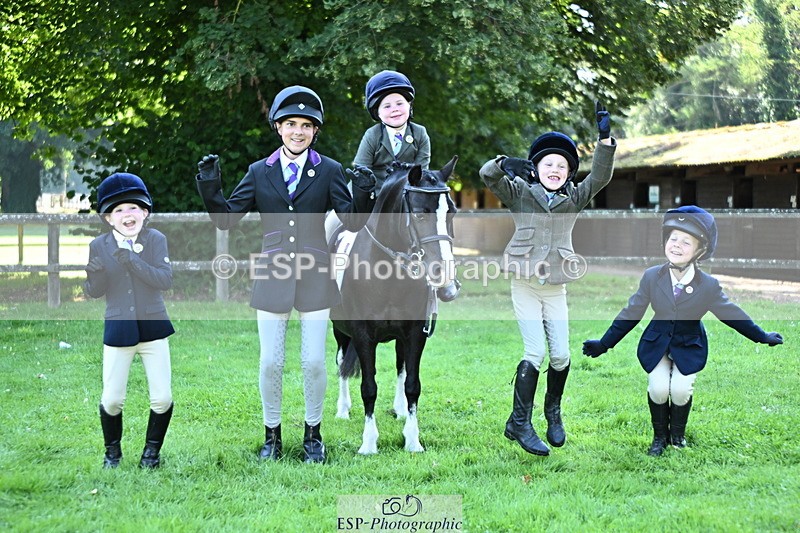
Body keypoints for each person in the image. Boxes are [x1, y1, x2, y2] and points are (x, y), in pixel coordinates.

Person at [195, 86, 375, 463]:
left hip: (315, 276)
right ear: (278, 127)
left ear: (315, 131)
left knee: (313, 360)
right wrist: (210, 185)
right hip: (272, 274)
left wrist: (363, 192)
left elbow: (353, 221)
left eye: (306, 125)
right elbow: (226, 219)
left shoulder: (329, 170)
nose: (298, 131)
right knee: (270, 361)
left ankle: (313, 436)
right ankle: (272, 437)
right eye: (291, 123)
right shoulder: (259, 172)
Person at [583, 206, 783, 456]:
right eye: (673, 238)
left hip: (689, 346)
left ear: (700, 250)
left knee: (679, 390)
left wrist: (761, 336)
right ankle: (659, 438)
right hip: (656, 344)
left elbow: (731, 313)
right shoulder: (652, 276)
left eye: (686, 242)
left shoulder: (708, 285)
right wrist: (604, 343)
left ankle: (677, 436)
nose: (676, 245)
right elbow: (631, 313)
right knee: (657, 388)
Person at [480, 102, 616, 456]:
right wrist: (502, 164)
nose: (554, 169)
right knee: (535, 351)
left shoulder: (574, 198)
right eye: (548, 164)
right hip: (524, 283)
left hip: (556, 286)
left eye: (562, 166)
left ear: (569, 173)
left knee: (560, 356)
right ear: (535, 168)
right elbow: (488, 176)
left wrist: (604, 139)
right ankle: (520, 423)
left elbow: (600, 177)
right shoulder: (520, 193)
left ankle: (552, 412)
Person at [84, 172, 175, 469]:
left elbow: (164, 280)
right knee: (111, 399)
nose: (127, 214)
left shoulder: (155, 239)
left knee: (162, 397)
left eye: (134, 207)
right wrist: (94, 277)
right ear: (108, 218)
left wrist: (132, 259)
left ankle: (151, 454)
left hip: (153, 327)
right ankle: (112, 454)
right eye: (119, 209)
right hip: (119, 327)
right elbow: (94, 292)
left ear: (145, 212)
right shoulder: (99, 245)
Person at [353, 69, 431, 190]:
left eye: (399, 104)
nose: (395, 109)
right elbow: (361, 170)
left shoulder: (420, 133)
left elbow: (421, 172)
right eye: (387, 106)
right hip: (374, 192)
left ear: (409, 106)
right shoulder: (372, 135)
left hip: (408, 192)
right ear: (377, 113)